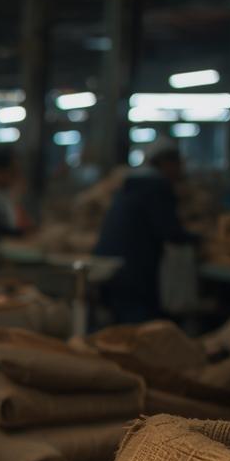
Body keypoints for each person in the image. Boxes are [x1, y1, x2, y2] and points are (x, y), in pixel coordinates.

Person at [93, 137, 199, 325]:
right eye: (177, 164)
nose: (180, 170)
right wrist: (199, 239)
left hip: (112, 269)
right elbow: (171, 232)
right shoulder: (155, 187)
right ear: (166, 163)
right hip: (133, 274)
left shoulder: (131, 186)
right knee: (138, 332)